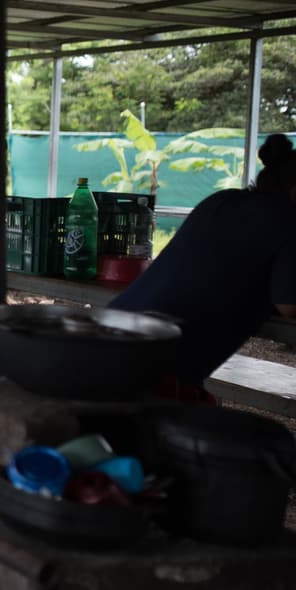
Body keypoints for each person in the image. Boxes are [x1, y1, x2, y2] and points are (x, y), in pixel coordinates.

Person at [108, 133, 296, 399]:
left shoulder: (221, 200)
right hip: (155, 364)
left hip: (108, 330)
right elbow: (289, 306)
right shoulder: (289, 222)